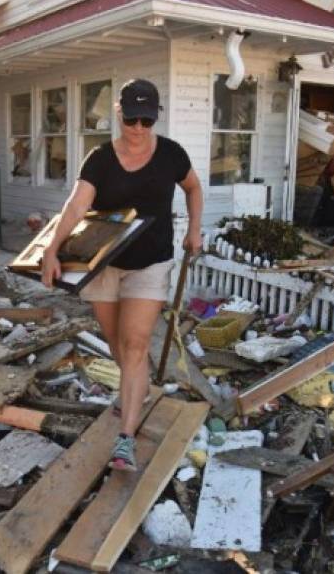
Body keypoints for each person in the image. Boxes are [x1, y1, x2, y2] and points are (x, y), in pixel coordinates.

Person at [41, 79, 203, 471]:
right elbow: (77, 206)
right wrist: (50, 249)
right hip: (103, 262)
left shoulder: (171, 155)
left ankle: (125, 438)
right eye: (133, 119)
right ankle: (138, 388)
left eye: (148, 120)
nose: (139, 128)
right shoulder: (99, 158)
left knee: (134, 345)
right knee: (116, 344)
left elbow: (194, 189)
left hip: (151, 262)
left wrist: (195, 228)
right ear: (120, 114)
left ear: (156, 117)